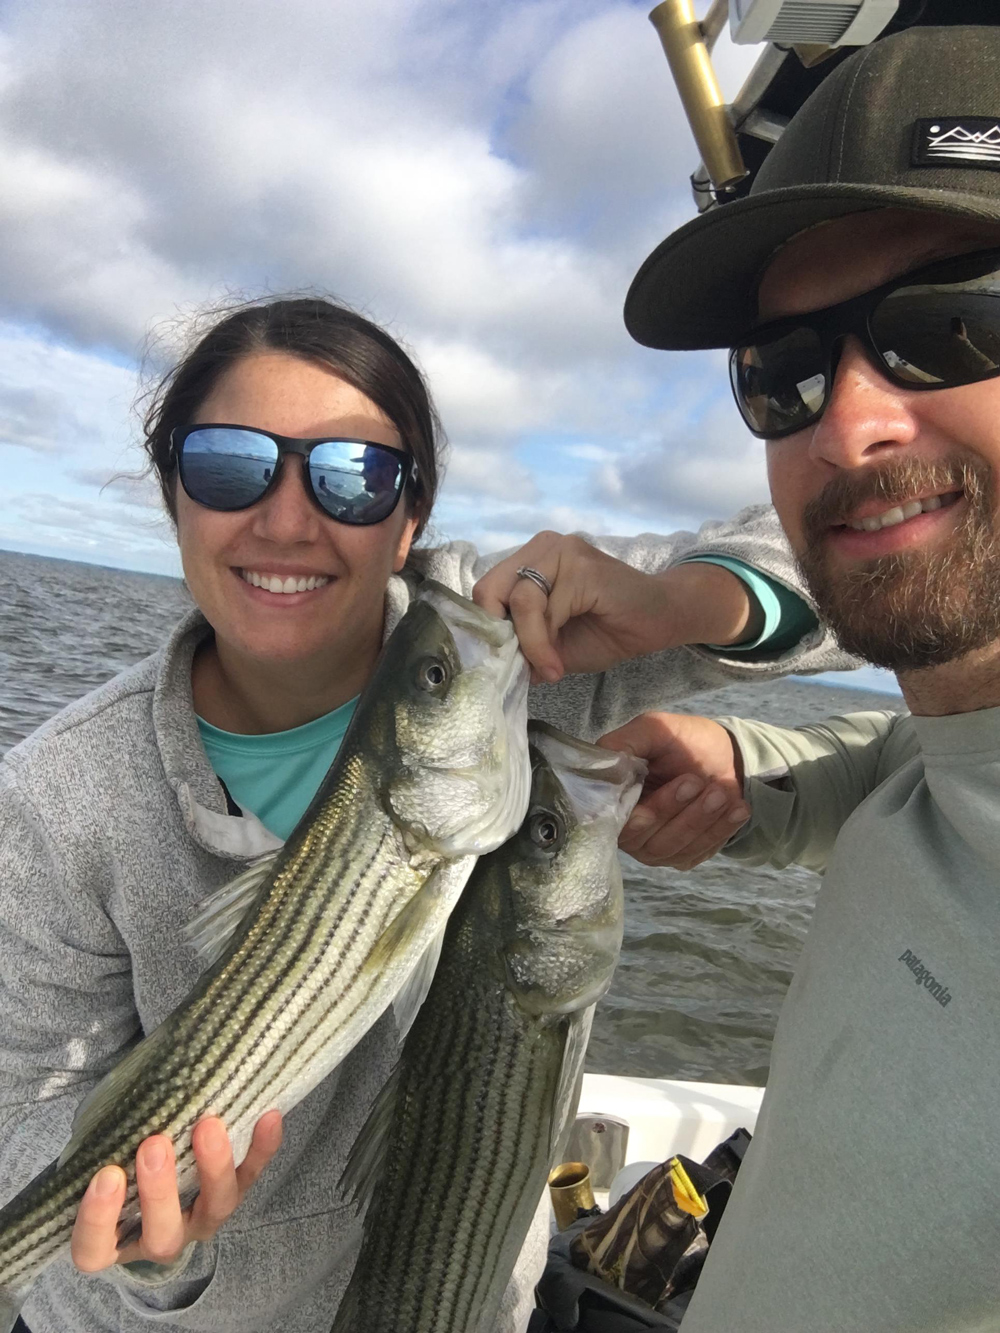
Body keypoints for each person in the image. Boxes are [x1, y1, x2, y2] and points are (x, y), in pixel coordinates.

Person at [0, 295, 847, 1333]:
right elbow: (21, 1113)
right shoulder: (58, 796)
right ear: (173, 490)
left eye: (354, 477)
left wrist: (685, 601)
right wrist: (149, 1260)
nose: (285, 519)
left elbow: (852, 549)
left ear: (410, 517)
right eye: (230, 464)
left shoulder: (508, 642)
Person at [601, 22, 1000, 1332]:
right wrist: (744, 769)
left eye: (950, 324)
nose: (849, 420)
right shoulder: (949, 747)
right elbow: (915, 776)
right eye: (785, 371)